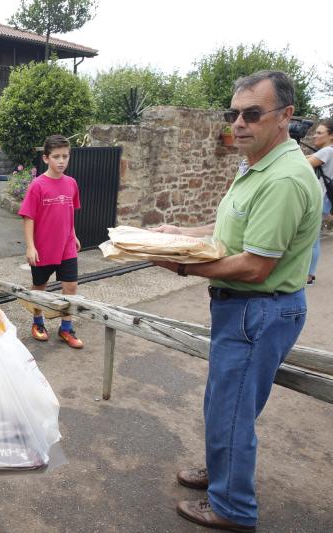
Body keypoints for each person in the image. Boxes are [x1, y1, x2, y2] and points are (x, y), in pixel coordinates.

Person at [151, 71, 321, 532]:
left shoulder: (283, 178)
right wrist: (180, 235)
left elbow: (254, 266)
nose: (239, 123)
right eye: (234, 113)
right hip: (245, 309)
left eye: (251, 113)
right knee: (223, 402)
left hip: (257, 309)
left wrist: (182, 267)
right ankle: (220, 470)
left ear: (286, 116)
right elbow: (230, 230)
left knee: (232, 408)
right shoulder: (258, 166)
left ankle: (233, 506)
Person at [18, 134, 83, 348]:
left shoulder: (71, 184)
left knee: (71, 286)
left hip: (66, 247)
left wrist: (73, 235)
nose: (62, 161)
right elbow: (29, 217)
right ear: (46, 159)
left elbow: (70, 213)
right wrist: (30, 246)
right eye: (56, 157)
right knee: (40, 288)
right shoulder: (38, 185)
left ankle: (66, 327)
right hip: (44, 248)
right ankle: (38, 322)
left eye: (65, 156)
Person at [306, 118, 333, 284]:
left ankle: (308, 275)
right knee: (311, 236)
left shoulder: (327, 152)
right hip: (326, 201)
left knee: (311, 238)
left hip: (319, 199)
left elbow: (303, 164)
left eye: (319, 133)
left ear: (331, 136)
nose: (314, 136)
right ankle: (309, 273)